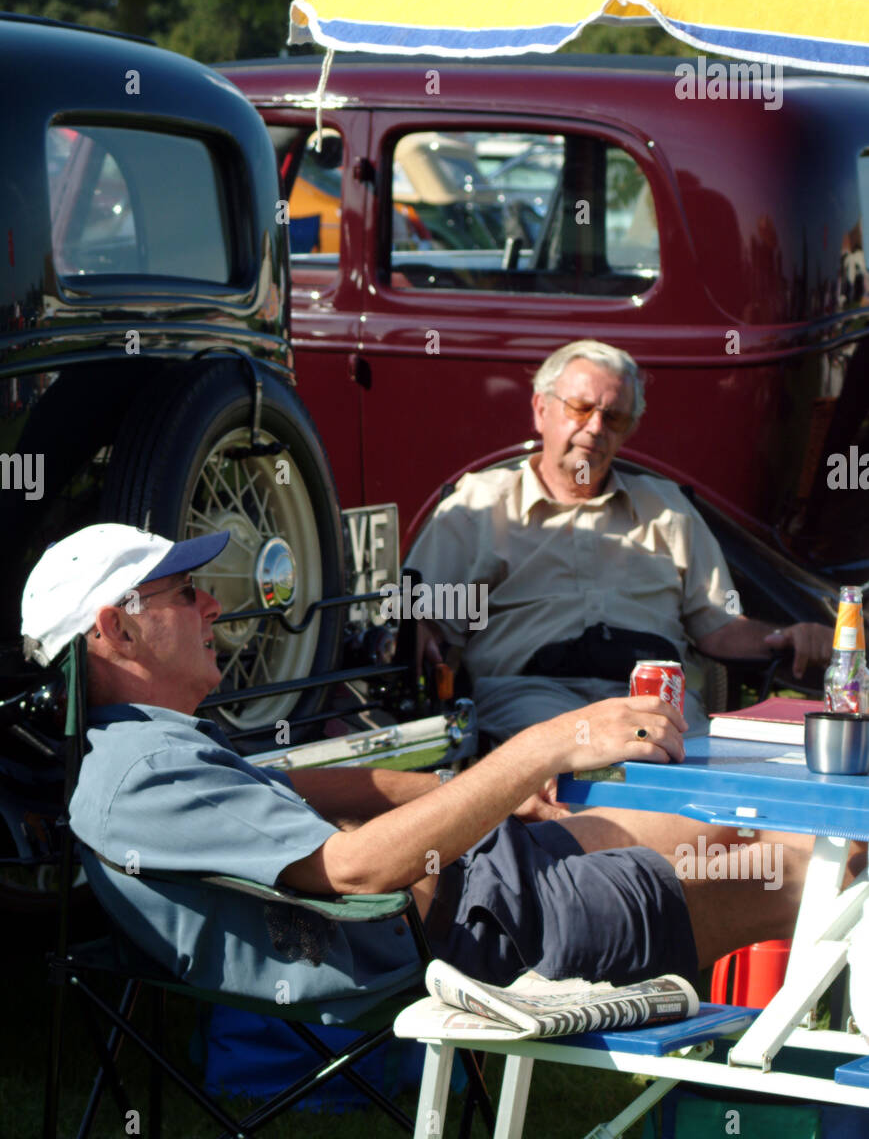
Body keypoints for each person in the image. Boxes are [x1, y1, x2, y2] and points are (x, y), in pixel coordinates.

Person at [21, 524, 815, 1019]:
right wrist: (543, 745)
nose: (212, 607)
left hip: (491, 881)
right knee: (817, 875)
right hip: (499, 930)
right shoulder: (147, 768)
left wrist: (446, 790)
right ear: (115, 628)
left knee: (736, 832)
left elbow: (286, 787)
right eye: (185, 592)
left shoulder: (142, 747)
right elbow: (358, 867)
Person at [409, 339, 834, 743]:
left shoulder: (667, 509)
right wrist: (416, 624)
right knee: (575, 763)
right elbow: (416, 613)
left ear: (627, 430)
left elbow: (719, 626)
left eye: (613, 418)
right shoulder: (478, 507)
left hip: (655, 696)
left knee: (704, 771)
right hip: (533, 697)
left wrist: (788, 634)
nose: (595, 428)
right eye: (580, 408)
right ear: (540, 409)